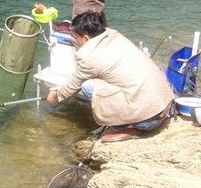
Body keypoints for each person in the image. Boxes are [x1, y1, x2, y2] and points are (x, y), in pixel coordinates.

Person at [47, 12, 175, 143]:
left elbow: (74, 85)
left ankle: (132, 128)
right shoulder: (115, 36)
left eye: (74, 36)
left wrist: (56, 95)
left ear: (85, 38)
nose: (73, 40)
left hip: (148, 121)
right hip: (165, 106)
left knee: (87, 86)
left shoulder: (88, 56)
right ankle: (129, 120)